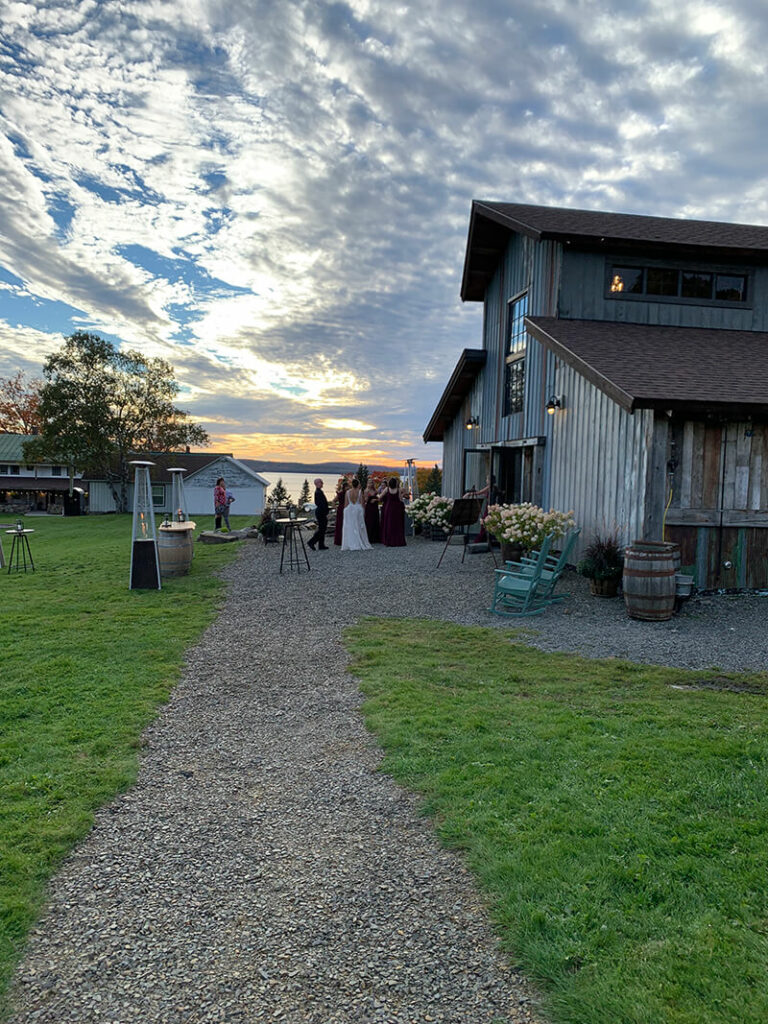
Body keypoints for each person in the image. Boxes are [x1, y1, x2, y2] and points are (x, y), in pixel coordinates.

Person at [341, 477, 372, 551]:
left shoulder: (348, 492)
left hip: (349, 510)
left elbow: (346, 504)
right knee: (358, 526)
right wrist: (363, 511)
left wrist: (344, 513)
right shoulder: (360, 491)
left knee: (351, 526)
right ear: (358, 485)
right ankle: (359, 542)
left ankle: (351, 542)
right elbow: (362, 502)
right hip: (358, 510)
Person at [379, 476, 406, 547]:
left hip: (389, 508)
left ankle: (388, 541)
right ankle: (397, 541)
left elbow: (380, 497)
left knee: (389, 524)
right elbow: (400, 499)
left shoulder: (387, 489)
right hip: (397, 509)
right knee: (397, 525)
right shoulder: (398, 490)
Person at [307, 478, 329, 551]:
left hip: (321, 512)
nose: (322, 483)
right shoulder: (318, 492)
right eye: (321, 482)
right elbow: (321, 503)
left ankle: (321, 544)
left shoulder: (319, 492)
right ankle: (311, 542)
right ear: (317, 484)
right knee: (322, 529)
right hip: (321, 512)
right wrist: (325, 510)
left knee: (322, 528)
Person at [363, 479, 380, 543]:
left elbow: (379, 498)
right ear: (367, 483)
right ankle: (369, 538)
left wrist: (375, 500)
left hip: (375, 507)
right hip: (369, 507)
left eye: (372, 483)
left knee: (376, 520)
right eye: (369, 483)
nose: (371, 484)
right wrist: (367, 497)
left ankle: (376, 537)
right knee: (369, 521)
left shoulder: (375, 490)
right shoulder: (366, 491)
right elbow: (365, 500)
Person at [333, 480, 348, 546]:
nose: (348, 488)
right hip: (341, 509)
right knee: (340, 524)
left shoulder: (348, 493)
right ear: (344, 487)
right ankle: (339, 540)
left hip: (346, 509)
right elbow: (333, 501)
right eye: (347, 487)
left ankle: (345, 539)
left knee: (346, 523)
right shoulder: (341, 493)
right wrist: (335, 508)